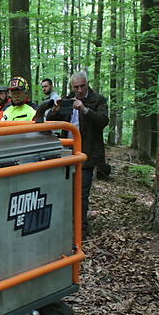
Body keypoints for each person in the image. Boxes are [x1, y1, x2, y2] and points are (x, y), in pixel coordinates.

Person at [46, 70, 109, 237]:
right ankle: (65, 226)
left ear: (87, 84)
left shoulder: (98, 100)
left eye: (82, 86)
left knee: (82, 193)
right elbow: (52, 121)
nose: (79, 90)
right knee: (64, 190)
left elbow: (103, 121)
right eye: (76, 87)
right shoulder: (68, 99)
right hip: (67, 152)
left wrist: (85, 109)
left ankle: (80, 230)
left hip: (87, 152)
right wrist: (55, 110)